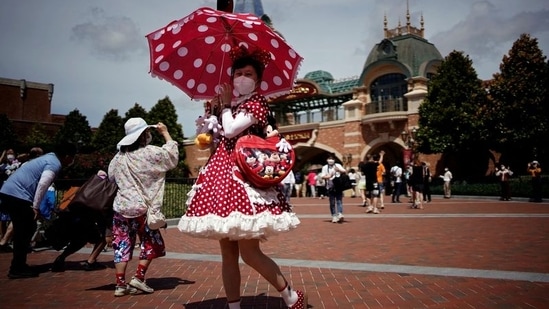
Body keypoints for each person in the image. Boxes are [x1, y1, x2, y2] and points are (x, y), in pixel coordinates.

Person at [177, 47, 306, 309]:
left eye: (248, 73)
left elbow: (233, 128)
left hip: (244, 178)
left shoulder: (256, 103)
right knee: (227, 254)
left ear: (257, 80)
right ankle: (233, 306)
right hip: (221, 178)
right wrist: (211, 115)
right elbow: (209, 139)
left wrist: (224, 107)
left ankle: (290, 296)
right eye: (238, 73)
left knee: (249, 252)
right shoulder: (229, 104)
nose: (242, 77)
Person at [108, 118, 179, 297]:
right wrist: (165, 133)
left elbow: (111, 177)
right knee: (150, 242)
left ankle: (120, 284)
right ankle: (138, 278)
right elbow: (171, 158)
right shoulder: (150, 153)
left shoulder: (118, 158)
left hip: (121, 207)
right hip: (142, 210)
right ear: (143, 135)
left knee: (122, 245)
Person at [0, 143, 77, 278]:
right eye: (72, 157)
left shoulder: (49, 158)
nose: (72, 161)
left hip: (10, 192)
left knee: (26, 228)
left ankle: (19, 264)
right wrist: (35, 207)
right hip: (17, 195)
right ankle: (17, 268)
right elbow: (43, 184)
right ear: (66, 156)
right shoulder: (54, 164)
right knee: (24, 230)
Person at [50, 171, 112, 272]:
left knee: (80, 240)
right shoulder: (106, 192)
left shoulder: (89, 186)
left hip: (76, 217)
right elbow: (103, 214)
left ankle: (62, 257)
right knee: (101, 238)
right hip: (87, 220)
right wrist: (108, 233)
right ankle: (90, 261)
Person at [321, 155, 346, 223]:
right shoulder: (325, 167)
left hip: (338, 185)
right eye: (329, 159)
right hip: (330, 186)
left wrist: (338, 170)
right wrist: (329, 176)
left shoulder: (337, 165)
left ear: (334, 160)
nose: (330, 160)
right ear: (327, 160)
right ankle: (334, 215)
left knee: (339, 201)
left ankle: (340, 213)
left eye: (332, 159)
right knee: (332, 202)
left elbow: (344, 171)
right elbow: (322, 176)